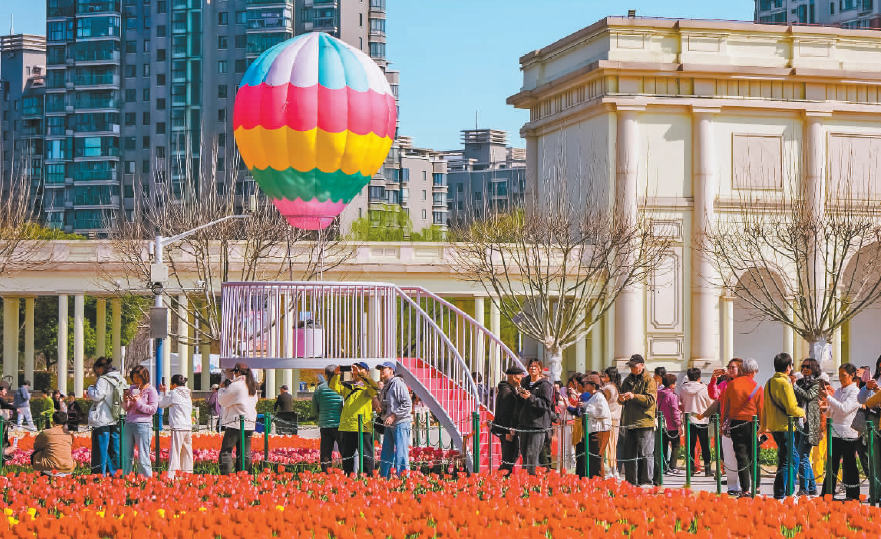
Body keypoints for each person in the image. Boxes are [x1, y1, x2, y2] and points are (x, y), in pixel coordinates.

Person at [762, 353, 805, 500]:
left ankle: (784, 491)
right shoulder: (784, 383)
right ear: (788, 367)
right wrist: (802, 412)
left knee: (788, 458)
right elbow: (791, 408)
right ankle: (784, 492)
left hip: (774, 426)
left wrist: (763, 425)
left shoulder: (769, 382)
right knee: (789, 460)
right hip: (785, 426)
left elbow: (765, 407)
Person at [721, 357, 764, 497]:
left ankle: (745, 489)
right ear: (753, 371)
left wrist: (722, 424)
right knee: (754, 456)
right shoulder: (758, 387)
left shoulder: (732, 385)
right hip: (753, 423)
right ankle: (756, 486)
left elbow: (726, 407)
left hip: (736, 424)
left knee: (741, 456)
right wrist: (763, 427)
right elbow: (761, 409)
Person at [821, 363, 862, 501]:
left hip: (848, 433)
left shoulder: (855, 392)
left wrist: (829, 398)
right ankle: (827, 493)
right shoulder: (838, 391)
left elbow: (844, 409)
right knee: (832, 465)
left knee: (849, 465)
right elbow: (832, 411)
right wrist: (825, 408)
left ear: (852, 375)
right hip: (835, 431)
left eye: (843, 375)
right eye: (839, 376)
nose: (840, 378)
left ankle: (853, 495)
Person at [329, 362, 379, 475]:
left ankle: (369, 479)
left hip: (363, 427)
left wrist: (362, 375)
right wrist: (336, 374)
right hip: (347, 426)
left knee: (366, 456)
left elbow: (374, 388)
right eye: (355, 370)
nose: (356, 372)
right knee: (347, 457)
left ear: (367, 372)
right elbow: (333, 387)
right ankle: (349, 478)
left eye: (360, 369)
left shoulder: (368, 387)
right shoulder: (347, 386)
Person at [705, 358, 744, 495]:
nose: (730, 370)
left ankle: (744, 485)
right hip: (727, 422)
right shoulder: (724, 384)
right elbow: (713, 395)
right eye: (729, 367)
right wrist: (713, 380)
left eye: (733, 367)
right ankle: (733, 487)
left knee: (742, 455)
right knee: (728, 455)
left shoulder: (744, 383)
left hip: (742, 421)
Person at [618, 354, 657, 486]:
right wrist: (621, 399)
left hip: (644, 422)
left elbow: (650, 400)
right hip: (629, 422)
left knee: (645, 454)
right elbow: (621, 398)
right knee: (629, 455)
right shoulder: (627, 380)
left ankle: (646, 482)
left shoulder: (649, 380)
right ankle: (630, 482)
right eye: (631, 366)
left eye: (634, 366)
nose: (632, 368)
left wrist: (634, 396)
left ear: (642, 365)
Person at [217, 362, 259, 475]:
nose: (234, 375)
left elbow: (222, 401)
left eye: (235, 372)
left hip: (235, 423)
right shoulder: (251, 386)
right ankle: (245, 476)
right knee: (244, 453)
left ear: (239, 372)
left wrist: (221, 389)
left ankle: (226, 477)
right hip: (249, 423)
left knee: (226, 451)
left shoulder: (236, 385)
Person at [86, 356, 124, 476]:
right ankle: (114, 474)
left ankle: (99, 475)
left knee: (100, 449)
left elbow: (97, 395)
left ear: (100, 368)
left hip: (102, 419)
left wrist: (90, 389)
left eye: (96, 370)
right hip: (116, 418)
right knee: (114, 449)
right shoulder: (120, 378)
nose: (96, 372)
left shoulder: (103, 380)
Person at [515, 359, 554, 475]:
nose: (532, 368)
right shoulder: (524, 383)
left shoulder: (545, 385)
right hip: (524, 423)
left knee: (532, 454)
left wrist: (531, 397)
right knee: (524, 453)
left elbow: (546, 405)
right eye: (531, 366)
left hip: (538, 425)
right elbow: (519, 404)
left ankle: (533, 478)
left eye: (535, 366)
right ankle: (525, 478)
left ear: (540, 369)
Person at [376, 361, 412, 478]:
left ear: (391, 370)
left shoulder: (397, 383)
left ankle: (403, 480)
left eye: (384, 368)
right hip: (389, 424)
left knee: (401, 454)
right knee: (386, 454)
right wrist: (381, 410)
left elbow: (407, 404)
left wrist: (393, 415)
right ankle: (384, 479)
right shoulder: (386, 386)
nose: (381, 371)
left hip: (400, 423)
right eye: (380, 369)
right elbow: (388, 406)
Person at [792, 358, 822, 496]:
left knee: (802, 456)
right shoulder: (798, 383)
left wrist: (794, 387)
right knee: (801, 455)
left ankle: (803, 489)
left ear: (814, 368)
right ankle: (812, 487)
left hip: (810, 424)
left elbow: (809, 396)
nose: (804, 369)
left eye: (807, 367)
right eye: (803, 366)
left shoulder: (817, 383)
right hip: (799, 422)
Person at [122, 365, 158, 477]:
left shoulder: (151, 390)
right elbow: (127, 408)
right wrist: (126, 401)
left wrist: (138, 402)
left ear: (144, 377)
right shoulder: (132, 388)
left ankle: (146, 479)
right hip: (129, 423)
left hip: (143, 425)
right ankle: (126, 477)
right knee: (126, 455)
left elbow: (152, 409)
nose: (136, 380)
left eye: (138, 377)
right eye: (134, 377)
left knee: (143, 456)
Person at [157, 374, 193, 480]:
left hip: (178, 426)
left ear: (174, 384)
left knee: (175, 453)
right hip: (187, 426)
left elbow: (161, 403)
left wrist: (162, 392)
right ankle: (188, 476)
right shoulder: (187, 394)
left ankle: (172, 477)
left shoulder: (174, 393)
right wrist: (166, 392)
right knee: (187, 453)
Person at [679, 367, 713, 476]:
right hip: (702, 419)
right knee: (705, 445)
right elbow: (710, 403)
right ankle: (707, 469)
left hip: (689, 419)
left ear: (688, 377)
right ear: (699, 377)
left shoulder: (683, 388)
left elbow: (680, 403)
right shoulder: (704, 388)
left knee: (691, 445)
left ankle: (691, 469)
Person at [492, 366, 525, 474]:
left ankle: (502, 476)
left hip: (510, 429)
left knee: (513, 455)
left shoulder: (510, 390)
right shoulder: (506, 391)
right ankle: (500, 477)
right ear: (514, 377)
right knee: (509, 457)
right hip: (507, 430)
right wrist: (508, 431)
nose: (522, 378)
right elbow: (505, 414)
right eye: (521, 375)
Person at [312, 365, 344, 472]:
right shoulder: (341, 387)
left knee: (325, 451)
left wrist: (319, 415)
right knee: (344, 450)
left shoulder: (320, 388)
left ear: (326, 375)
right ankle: (347, 472)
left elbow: (314, 407)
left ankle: (326, 473)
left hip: (325, 424)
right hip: (340, 424)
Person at [579, 374, 611, 478]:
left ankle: (598, 482)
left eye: (586, 383)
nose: (584, 385)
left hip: (599, 431)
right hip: (593, 431)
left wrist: (587, 409)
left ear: (593, 385)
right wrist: (584, 406)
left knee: (596, 459)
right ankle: (594, 481)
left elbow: (603, 413)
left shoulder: (599, 397)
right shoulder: (593, 396)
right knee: (592, 460)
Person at [31, 411, 75, 476]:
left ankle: (40, 476)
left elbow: (36, 447)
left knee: (35, 454)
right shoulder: (69, 435)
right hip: (68, 467)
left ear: (53, 421)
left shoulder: (46, 433)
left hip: (49, 468)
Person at [657, 373, 683, 476]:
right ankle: (672, 467)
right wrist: (678, 424)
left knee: (663, 446)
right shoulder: (672, 396)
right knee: (676, 446)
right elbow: (675, 412)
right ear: (672, 384)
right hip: (672, 425)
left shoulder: (658, 394)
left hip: (661, 424)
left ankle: (663, 467)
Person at [601, 367, 622, 479]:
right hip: (616, 418)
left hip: (608, 418)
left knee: (608, 444)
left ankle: (609, 468)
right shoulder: (618, 386)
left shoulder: (608, 388)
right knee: (613, 444)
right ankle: (614, 469)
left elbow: (602, 402)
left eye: (604, 375)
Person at [0, 382, 17, 461]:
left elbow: (3, 404)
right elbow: (4, 405)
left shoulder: (1, 399)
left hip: (3, 421)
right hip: (1, 422)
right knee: (3, 436)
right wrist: (15, 408)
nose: (6, 392)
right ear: (1, 391)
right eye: (5, 390)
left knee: (4, 435)